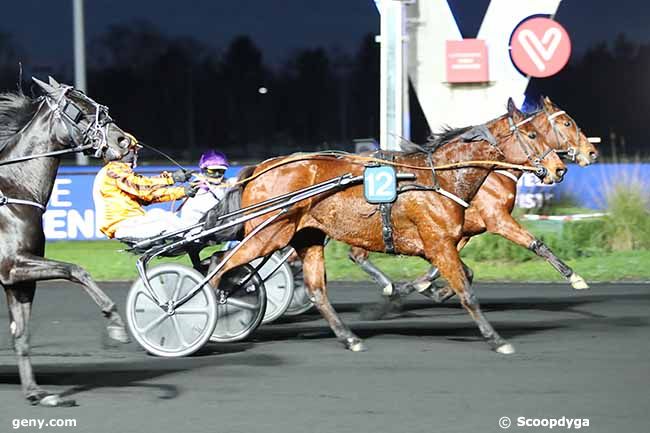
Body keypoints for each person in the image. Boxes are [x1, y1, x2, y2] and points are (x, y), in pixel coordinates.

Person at [93, 134, 198, 240]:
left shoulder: (116, 171)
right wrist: (172, 178)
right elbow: (142, 188)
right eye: (133, 150)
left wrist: (182, 192)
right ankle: (196, 236)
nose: (135, 155)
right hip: (125, 224)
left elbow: (149, 196)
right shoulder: (114, 170)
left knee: (160, 214)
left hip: (129, 224)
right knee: (165, 218)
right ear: (122, 151)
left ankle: (194, 236)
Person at [179, 150, 231, 225]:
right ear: (203, 169)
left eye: (221, 170)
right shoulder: (196, 189)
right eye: (212, 171)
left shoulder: (229, 183)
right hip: (196, 230)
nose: (217, 174)